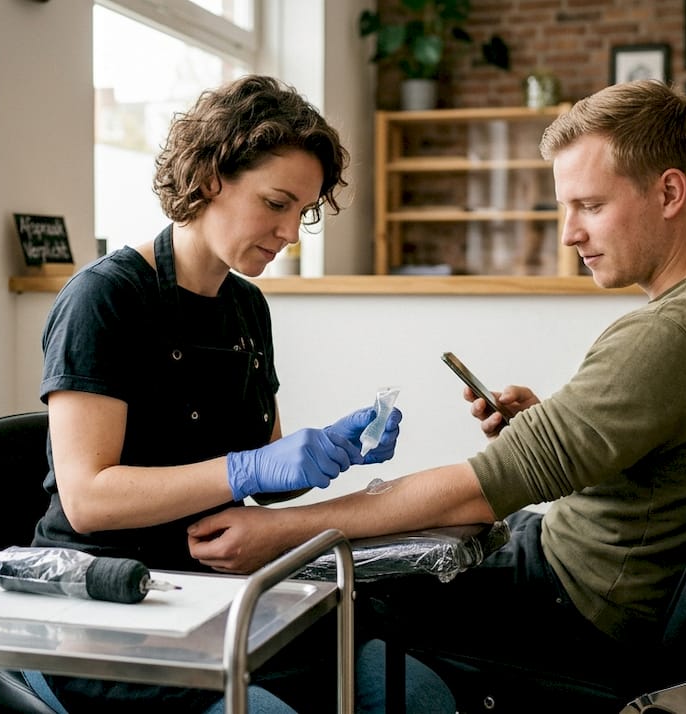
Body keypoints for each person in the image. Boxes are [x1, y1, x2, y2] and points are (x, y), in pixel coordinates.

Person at [185, 79, 686, 692]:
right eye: (564, 208)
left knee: (306, 606)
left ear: (670, 192)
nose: (569, 234)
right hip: (568, 563)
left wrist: (282, 533)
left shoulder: (674, 335)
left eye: (591, 206)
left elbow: (475, 492)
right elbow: (667, 463)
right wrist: (548, 426)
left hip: (572, 607)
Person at [31, 74, 450, 713]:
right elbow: (88, 500)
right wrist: (248, 467)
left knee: (415, 697)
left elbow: (265, 474)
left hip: (221, 587)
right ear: (210, 177)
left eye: (301, 212)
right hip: (111, 598)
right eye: (276, 203)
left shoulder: (246, 307)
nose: (290, 233)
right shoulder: (105, 299)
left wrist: (330, 451)